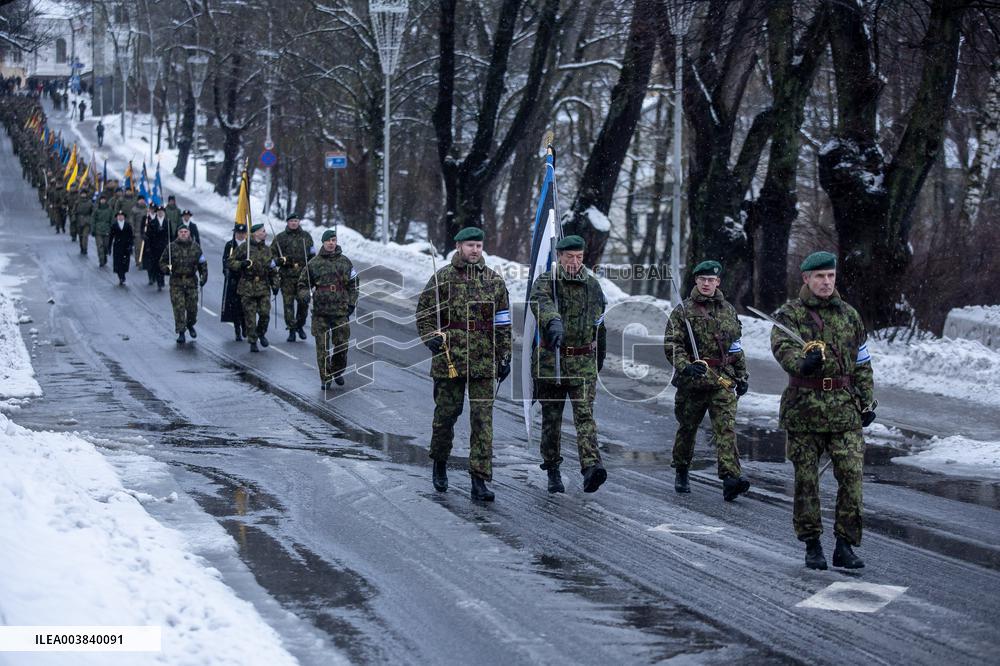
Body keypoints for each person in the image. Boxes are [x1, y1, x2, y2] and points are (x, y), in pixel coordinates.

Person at [770, 251, 876, 571]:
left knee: (852, 477)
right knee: (806, 480)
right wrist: (802, 363)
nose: (826, 282)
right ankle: (812, 543)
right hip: (805, 408)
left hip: (844, 408)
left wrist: (867, 401)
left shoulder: (850, 315)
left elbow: (862, 363)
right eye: (820, 277)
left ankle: (845, 544)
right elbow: (781, 347)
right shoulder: (791, 315)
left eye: (830, 276)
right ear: (806, 279)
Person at [415, 227, 512, 501]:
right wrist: (430, 337)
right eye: (470, 245)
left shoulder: (493, 281)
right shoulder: (442, 278)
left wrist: (505, 356)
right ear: (459, 246)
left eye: (479, 245)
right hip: (450, 359)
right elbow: (424, 314)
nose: (475, 250)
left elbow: (502, 322)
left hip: (483, 361)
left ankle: (479, 480)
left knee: (483, 422)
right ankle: (440, 461)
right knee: (446, 416)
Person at [663, 260, 751, 501]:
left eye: (711, 280)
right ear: (696, 281)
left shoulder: (728, 310)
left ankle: (731, 477)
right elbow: (672, 344)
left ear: (718, 282)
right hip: (694, 380)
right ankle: (681, 469)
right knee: (688, 428)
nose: (706, 283)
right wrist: (685, 366)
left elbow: (735, 347)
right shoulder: (683, 311)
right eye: (702, 279)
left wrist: (742, 376)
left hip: (722, 380)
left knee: (726, 428)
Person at [529, 235, 608, 494]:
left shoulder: (593, 286)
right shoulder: (547, 283)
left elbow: (600, 325)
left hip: (583, 362)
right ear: (559, 257)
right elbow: (540, 304)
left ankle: (591, 467)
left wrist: (600, 358)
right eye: (569, 257)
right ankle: (552, 468)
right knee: (552, 420)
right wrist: (553, 321)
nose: (575, 262)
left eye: (579, 257)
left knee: (585, 417)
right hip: (553, 362)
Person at [298, 228, 357, 389]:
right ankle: (325, 377)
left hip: (340, 310)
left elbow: (354, 284)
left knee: (342, 345)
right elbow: (302, 284)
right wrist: (305, 294)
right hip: (320, 312)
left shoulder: (345, 262)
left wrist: (352, 303)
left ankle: (337, 370)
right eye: (328, 240)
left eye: (333, 240)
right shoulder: (314, 263)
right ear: (323, 242)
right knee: (322, 347)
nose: (331, 243)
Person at [227, 223, 277, 352]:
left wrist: (275, 284)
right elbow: (230, 262)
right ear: (255, 234)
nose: (265, 233)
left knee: (265, 314)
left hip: (263, 286)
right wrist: (242, 264)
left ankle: (261, 333)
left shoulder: (267, 250)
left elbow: (272, 268)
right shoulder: (245, 248)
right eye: (262, 231)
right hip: (247, 286)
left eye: (265, 231)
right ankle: (253, 340)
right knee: (250, 316)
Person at [160, 225, 207, 344]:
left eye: (185, 232)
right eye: (181, 232)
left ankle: (190, 324)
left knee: (192, 309)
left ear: (189, 233)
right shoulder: (171, 247)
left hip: (191, 282)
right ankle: (181, 332)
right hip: (177, 282)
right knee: (179, 308)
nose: (183, 234)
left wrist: (203, 277)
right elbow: (162, 262)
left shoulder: (196, 247)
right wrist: (167, 269)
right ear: (178, 234)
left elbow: (202, 264)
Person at [273, 212, 315, 342]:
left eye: (296, 221)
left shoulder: (306, 237)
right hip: (287, 277)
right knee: (288, 304)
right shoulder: (280, 238)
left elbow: (313, 255)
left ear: (299, 222)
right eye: (291, 221)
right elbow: (271, 257)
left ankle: (300, 325)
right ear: (287, 222)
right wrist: (281, 261)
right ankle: (291, 329)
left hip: (302, 277)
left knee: (304, 303)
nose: (294, 223)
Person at [221, 224, 248, 341]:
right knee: (235, 306)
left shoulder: (249, 245)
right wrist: (226, 271)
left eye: (242, 233)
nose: (240, 235)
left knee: (246, 305)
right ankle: (237, 328)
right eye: (238, 233)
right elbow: (225, 260)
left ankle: (245, 325)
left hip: (247, 279)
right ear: (235, 233)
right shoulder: (230, 245)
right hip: (234, 279)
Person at [142, 206, 169, 290]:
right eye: (159, 211)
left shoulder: (167, 222)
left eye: (162, 211)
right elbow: (149, 236)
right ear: (157, 213)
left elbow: (170, 235)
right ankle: (158, 281)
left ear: (164, 213)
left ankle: (162, 279)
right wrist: (149, 246)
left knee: (164, 264)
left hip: (164, 247)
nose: (160, 213)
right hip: (155, 247)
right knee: (156, 265)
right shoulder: (153, 222)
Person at [108, 209, 134, 286]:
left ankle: (123, 273)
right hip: (117, 246)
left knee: (125, 262)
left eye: (121, 216)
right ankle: (121, 277)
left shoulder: (128, 225)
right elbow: (111, 237)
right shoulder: (114, 225)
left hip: (126, 247)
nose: (120, 217)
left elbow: (131, 237)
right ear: (117, 217)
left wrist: (130, 246)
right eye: (119, 216)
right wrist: (109, 247)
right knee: (118, 262)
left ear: (124, 217)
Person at [91, 193, 113, 266]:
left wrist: (112, 229)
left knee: (106, 245)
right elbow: (93, 219)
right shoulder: (96, 209)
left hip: (107, 230)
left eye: (104, 200)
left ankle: (105, 256)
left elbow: (112, 220)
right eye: (101, 200)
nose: (103, 201)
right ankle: (101, 260)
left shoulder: (109, 210)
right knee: (100, 246)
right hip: (98, 230)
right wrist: (93, 229)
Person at [129, 196, 148, 266]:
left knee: (145, 248)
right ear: (138, 201)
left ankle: (144, 261)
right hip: (137, 231)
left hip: (145, 232)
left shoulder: (147, 210)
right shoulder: (134, 210)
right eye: (140, 200)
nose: (142, 201)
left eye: (143, 200)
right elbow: (131, 221)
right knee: (138, 248)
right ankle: (138, 261)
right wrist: (132, 230)